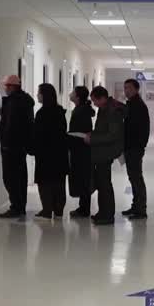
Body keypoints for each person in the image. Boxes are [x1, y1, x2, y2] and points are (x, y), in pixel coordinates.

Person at [84, 86, 123, 226]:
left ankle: (108, 215)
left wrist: (93, 139)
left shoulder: (112, 111)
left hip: (106, 152)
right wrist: (93, 134)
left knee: (105, 184)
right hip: (101, 151)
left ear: (102, 98)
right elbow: (102, 129)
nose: (94, 104)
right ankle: (102, 212)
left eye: (95, 101)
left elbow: (112, 135)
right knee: (101, 183)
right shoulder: (104, 108)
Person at [0, 75, 34, 220]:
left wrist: (6, 144)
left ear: (12, 87)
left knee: (10, 178)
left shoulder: (14, 103)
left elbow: (11, 126)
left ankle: (16, 207)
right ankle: (20, 206)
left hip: (11, 147)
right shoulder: (24, 101)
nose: (5, 89)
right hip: (20, 147)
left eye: (6, 86)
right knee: (20, 177)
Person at [30, 83, 69, 221]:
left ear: (44, 95)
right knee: (59, 182)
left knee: (45, 182)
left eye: (39, 93)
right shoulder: (60, 112)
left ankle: (47, 210)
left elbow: (38, 135)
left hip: (45, 154)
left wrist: (32, 148)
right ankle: (58, 210)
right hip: (59, 154)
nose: (37, 95)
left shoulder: (41, 114)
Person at [122, 79, 150, 220]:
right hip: (130, 147)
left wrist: (140, 146)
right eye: (125, 88)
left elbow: (143, 129)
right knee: (133, 178)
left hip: (135, 148)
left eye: (129, 88)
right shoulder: (131, 104)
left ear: (136, 89)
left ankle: (141, 210)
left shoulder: (138, 106)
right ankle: (136, 206)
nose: (126, 90)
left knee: (136, 178)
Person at [68, 86, 95, 219]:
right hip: (79, 148)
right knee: (82, 177)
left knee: (83, 178)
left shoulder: (82, 111)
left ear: (77, 97)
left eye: (73, 92)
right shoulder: (81, 109)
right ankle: (83, 207)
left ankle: (84, 209)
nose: (70, 94)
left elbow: (82, 132)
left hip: (81, 149)